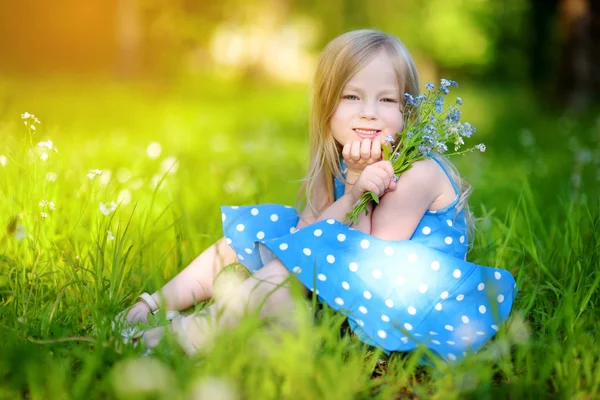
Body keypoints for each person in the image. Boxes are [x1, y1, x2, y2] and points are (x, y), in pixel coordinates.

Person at [116, 29, 517, 362]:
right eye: (351, 96)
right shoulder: (338, 163)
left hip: (407, 301)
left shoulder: (415, 173)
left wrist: (357, 190)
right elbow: (307, 234)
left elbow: (360, 258)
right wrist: (356, 182)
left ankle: (193, 335)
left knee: (290, 266)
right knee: (266, 227)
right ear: (326, 108)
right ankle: (152, 306)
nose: (369, 113)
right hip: (342, 277)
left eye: (388, 100)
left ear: (409, 112)